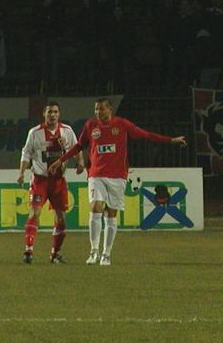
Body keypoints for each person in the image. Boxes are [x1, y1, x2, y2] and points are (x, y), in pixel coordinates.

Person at [48, 98, 187, 266]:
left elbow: (146, 135)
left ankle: (106, 254)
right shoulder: (91, 125)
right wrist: (60, 160)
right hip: (96, 174)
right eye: (96, 109)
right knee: (95, 207)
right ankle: (93, 251)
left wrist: (171, 140)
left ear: (110, 109)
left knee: (111, 214)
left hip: (117, 176)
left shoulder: (122, 124)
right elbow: (78, 146)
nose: (98, 112)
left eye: (101, 109)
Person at [17, 101, 84, 264]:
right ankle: (28, 250)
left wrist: (80, 162)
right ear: (44, 114)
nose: (52, 115)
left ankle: (55, 254)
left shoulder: (67, 131)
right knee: (34, 213)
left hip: (58, 182)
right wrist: (21, 173)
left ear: (59, 114)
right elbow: (26, 153)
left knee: (61, 219)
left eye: (55, 112)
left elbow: (76, 148)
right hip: (40, 180)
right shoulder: (35, 132)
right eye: (49, 112)